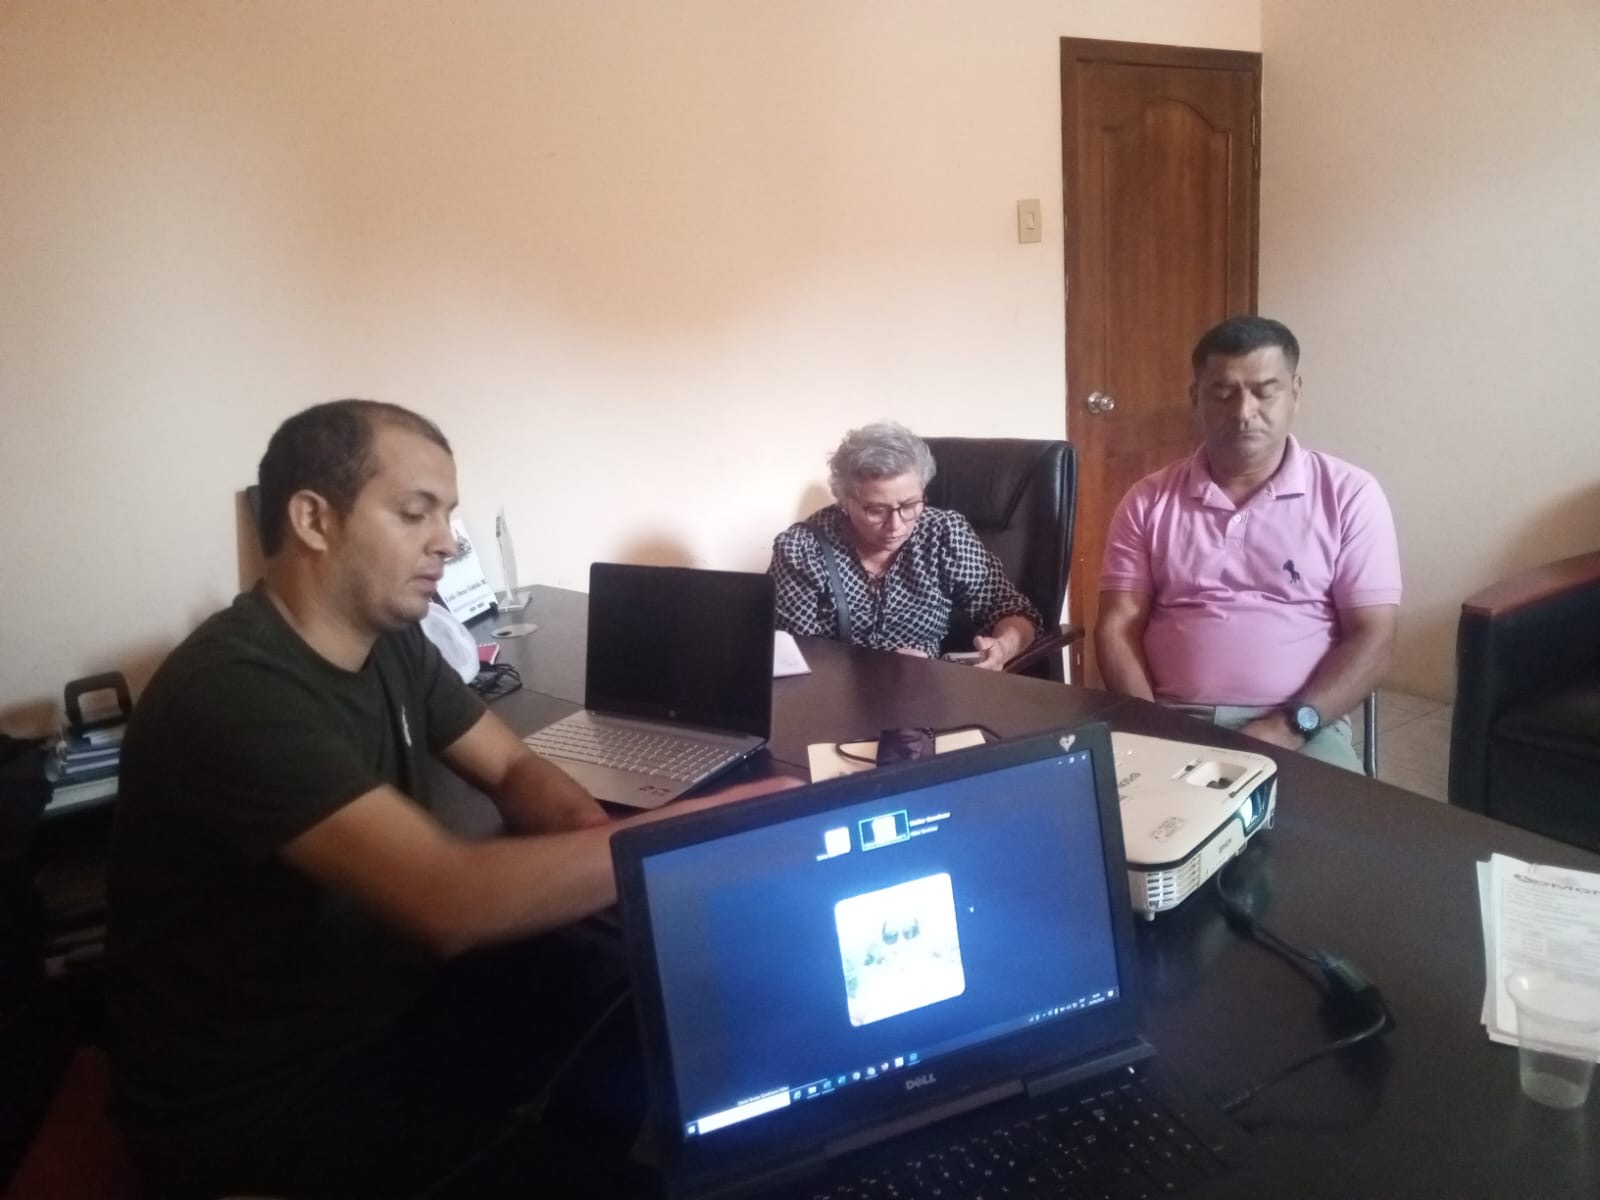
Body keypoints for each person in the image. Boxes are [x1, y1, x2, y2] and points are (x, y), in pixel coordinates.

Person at [105, 400, 793, 1199]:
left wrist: (583, 831)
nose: (448, 541)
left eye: (448, 514)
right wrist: (710, 829)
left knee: (646, 1020)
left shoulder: (392, 640)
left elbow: (510, 769)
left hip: (389, 1012)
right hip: (267, 1102)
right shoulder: (234, 690)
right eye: (415, 513)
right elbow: (449, 901)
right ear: (313, 520)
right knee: (627, 1162)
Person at [1096, 316, 1401, 772]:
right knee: (1110, 813)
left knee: (1330, 820)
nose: (1243, 412)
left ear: (1295, 391)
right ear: (1196, 398)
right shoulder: (1148, 500)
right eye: (1223, 394)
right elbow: (1117, 626)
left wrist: (1290, 726)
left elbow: (1374, 637)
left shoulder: (1349, 495)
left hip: (1304, 726)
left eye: (1264, 391)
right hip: (1170, 719)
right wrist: (1152, 728)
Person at [769, 422, 1042, 669]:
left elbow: (1012, 610)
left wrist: (1003, 648)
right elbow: (790, 658)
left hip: (932, 692)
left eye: (910, 505)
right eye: (876, 510)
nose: (896, 525)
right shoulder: (802, 550)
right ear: (845, 502)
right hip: (835, 696)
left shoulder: (944, 535)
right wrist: (880, 669)